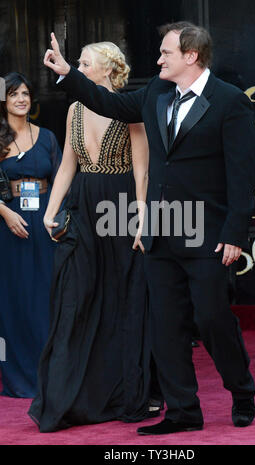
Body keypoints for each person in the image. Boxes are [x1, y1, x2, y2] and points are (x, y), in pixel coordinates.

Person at [42, 21, 255, 435]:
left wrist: (234, 233)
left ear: (190, 56)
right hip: (161, 229)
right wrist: (69, 74)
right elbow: (111, 105)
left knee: (212, 319)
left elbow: (242, 176)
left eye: (166, 53)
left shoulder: (230, 102)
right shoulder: (157, 93)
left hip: (206, 233)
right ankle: (182, 411)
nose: (157, 59)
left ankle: (242, 389)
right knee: (165, 324)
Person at [28, 41, 162, 432]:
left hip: (120, 209)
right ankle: (74, 393)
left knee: (123, 295)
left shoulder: (128, 108)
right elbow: (67, 167)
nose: (78, 66)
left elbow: (143, 171)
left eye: (85, 62)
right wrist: (51, 212)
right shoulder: (73, 110)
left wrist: (142, 219)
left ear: (107, 70)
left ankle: (127, 392)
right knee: (78, 295)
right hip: (84, 207)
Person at [0, 72, 62, 397]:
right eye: (14, 94)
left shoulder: (48, 137)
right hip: (8, 224)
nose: (21, 99)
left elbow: (63, 179)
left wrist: (57, 220)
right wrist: (5, 212)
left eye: (25, 93)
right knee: (14, 300)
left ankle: (51, 376)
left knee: (45, 298)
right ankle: (19, 378)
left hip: (45, 221)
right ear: (4, 101)